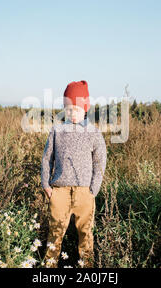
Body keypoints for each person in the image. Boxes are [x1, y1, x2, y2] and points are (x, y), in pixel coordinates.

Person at [40, 80, 107, 268]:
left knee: (85, 235)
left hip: (85, 192)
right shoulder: (57, 130)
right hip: (59, 190)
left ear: (85, 108)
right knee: (55, 233)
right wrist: (46, 185)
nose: (72, 113)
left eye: (77, 109)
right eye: (68, 109)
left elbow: (100, 160)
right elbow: (47, 158)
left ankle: (88, 269)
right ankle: (49, 268)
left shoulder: (93, 132)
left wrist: (94, 188)